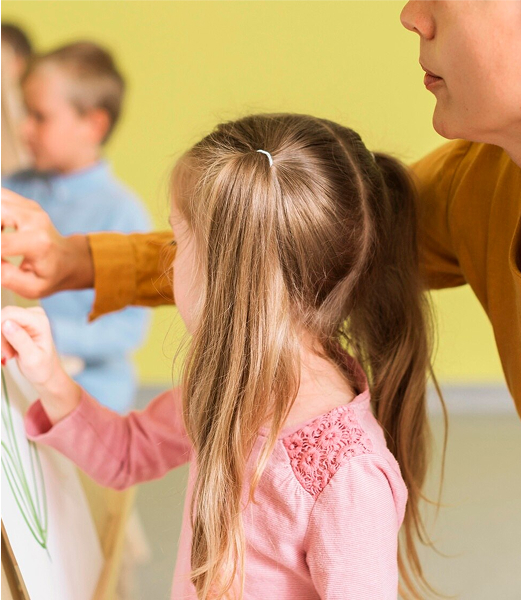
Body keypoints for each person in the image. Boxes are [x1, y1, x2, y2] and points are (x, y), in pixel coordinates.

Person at [4, 1, 518, 414]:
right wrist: (77, 262)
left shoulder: (344, 465)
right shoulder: (475, 182)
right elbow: (256, 240)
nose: (412, 15)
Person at [1, 113, 438, 599]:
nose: (169, 262)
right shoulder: (226, 384)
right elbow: (126, 455)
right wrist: (49, 378)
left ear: (231, 277)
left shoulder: (348, 478)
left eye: (177, 240)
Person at [2, 41, 151, 412]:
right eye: (25, 113)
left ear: (92, 125)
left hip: (90, 397)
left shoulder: (121, 213)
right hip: (19, 383)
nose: (24, 128)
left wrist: (45, 332)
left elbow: (126, 330)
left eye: (40, 116)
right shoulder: (12, 188)